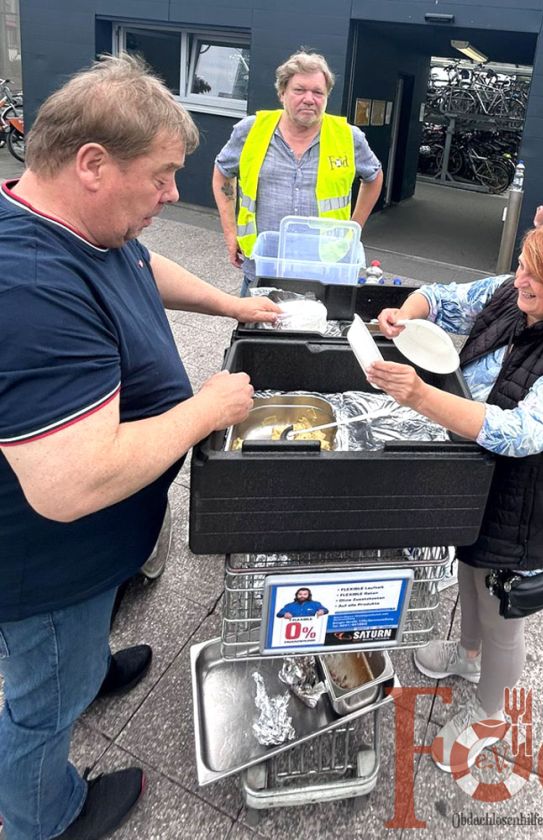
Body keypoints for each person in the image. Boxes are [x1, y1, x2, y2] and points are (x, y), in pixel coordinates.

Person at [0, 54, 281, 840]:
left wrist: (234, 304)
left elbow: (141, 263)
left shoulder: (78, 224)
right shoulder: (29, 289)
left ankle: (87, 670)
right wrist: (204, 408)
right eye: (161, 176)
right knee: (38, 702)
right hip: (47, 560)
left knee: (76, 656)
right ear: (92, 164)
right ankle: (45, 816)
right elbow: (69, 484)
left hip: (92, 553)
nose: (173, 195)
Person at [369, 223, 543, 775]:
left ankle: (490, 714)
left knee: (501, 606)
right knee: (470, 568)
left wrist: (420, 395)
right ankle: (467, 656)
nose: (523, 280)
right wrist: (406, 313)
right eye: (524, 263)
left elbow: (522, 432)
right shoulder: (514, 290)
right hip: (476, 477)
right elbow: (444, 298)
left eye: (541, 277)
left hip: (526, 501)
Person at [212, 50, 383, 295]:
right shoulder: (251, 131)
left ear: (326, 97)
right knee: (255, 332)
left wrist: (353, 231)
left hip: (324, 272)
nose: (309, 99)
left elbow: (374, 177)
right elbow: (222, 172)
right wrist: (230, 233)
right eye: (299, 90)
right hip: (263, 268)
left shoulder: (348, 137)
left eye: (318, 92)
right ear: (282, 93)